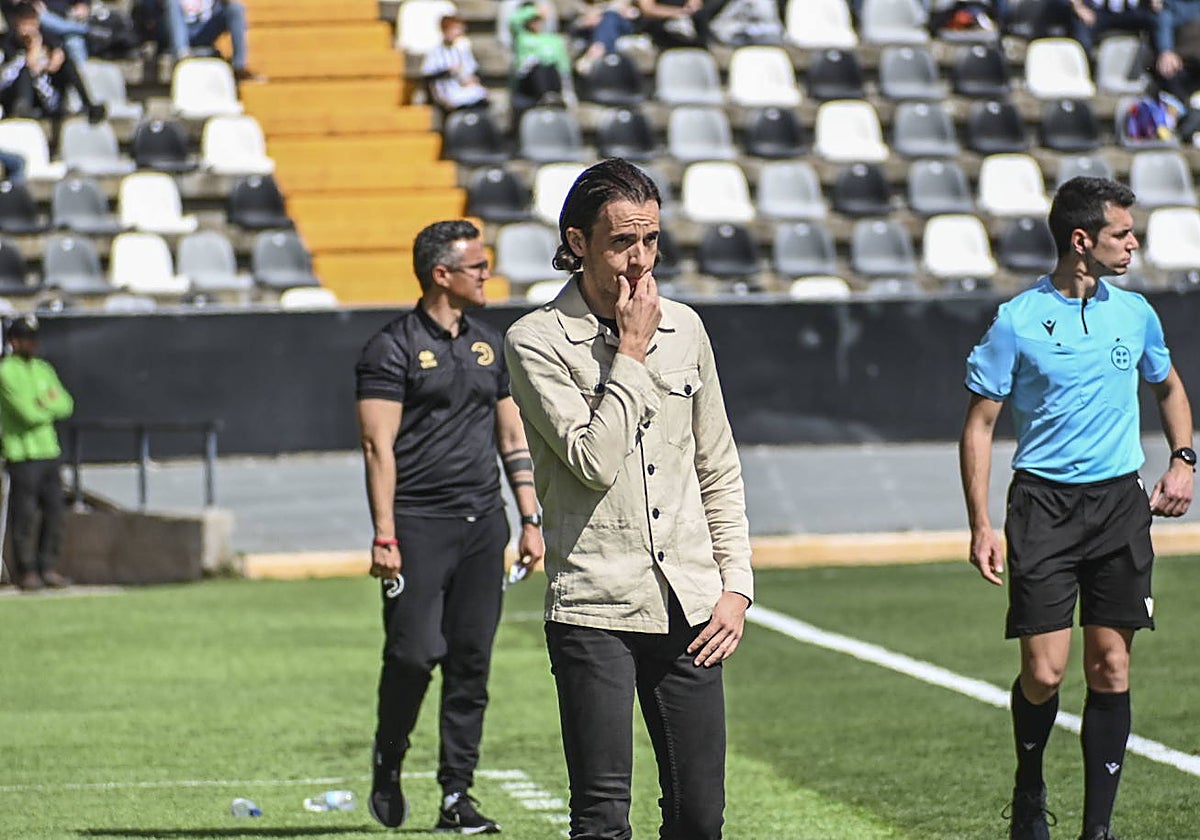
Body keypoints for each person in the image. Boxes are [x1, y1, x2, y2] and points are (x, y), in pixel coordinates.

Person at [504, 158, 755, 840]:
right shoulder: (535, 341)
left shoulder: (688, 329)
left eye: (649, 241)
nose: (639, 261)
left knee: (701, 818)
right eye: (621, 242)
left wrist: (736, 588)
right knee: (601, 818)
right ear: (578, 241)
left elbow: (717, 466)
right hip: (593, 603)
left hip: (691, 603)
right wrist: (633, 354)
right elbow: (591, 460)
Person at [958, 176, 1195, 840]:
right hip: (1042, 508)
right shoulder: (1017, 321)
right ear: (1081, 240)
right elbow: (979, 425)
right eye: (1123, 232)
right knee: (1044, 671)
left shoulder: (1136, 313)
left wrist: (1184, 459)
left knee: (1111, 665)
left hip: (1119, 504)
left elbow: (1169, 388)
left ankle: (1097, 830)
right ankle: (1030, 786)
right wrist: (981, 522)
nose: (1134, 243)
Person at [355, 220, 545, 834]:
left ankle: (456, 796)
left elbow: (512, 437)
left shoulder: (492, 345)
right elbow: (376, 446)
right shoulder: (391, 348)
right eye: (478, 266)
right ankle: (389, 758)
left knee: (471, 662)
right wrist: (385, 535)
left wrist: (529, 519)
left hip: (482, 526)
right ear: (443, 274)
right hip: (417, 526)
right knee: (413, 656)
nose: (488, 275)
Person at [0, 314, 74, 592]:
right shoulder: (6, 371)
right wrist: (46, 404)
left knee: (55, 511)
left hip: (48, 451)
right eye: (25, 339)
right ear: (14, 341)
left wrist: (42, 404)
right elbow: (26, 414)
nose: (31, 344)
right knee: (25, 516)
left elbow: (66, 404)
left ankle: (48, 567)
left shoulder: (43, 369)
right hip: (22, 454)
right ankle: (26, 570)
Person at [0, 4, 103, 125]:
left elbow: (58, 55)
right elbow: (27, 67)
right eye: (24, 24)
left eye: (32, 24)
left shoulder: (47, 38)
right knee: (25, 72)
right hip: (15, 94)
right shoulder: (7, 43)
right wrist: (34, 48)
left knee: (68, 65)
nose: (28, 30)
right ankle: (24, 110)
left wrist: (54, 60)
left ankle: (88, 105)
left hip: (45, 94)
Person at [160, 0, 261, 81]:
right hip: (175, 28)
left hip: (205, 27)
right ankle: (181, 54)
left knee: (236, 8)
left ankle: (239, 66)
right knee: (172, 2)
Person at [510, 2, 575, 107]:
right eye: (533, 20)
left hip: (552, 77)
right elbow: (514, 21)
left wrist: (568, 89)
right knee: (539, 67)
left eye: (538, 20)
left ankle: (552, 96)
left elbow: (563, 64)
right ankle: (545, 95)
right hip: (529, 79)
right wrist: (535, 11)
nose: (536, 23)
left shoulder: (554, 40)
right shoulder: (522, 36)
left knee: (550, 67)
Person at [421, 14, 488, 112]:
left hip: (461, 87)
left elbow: (470, 69)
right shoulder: (435, 51)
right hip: (446, 91)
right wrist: (449, 72)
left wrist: (472, 80)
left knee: (480, 94)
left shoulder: (460, 49)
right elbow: (428, 75)